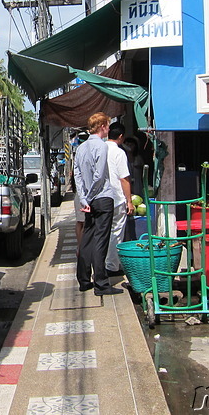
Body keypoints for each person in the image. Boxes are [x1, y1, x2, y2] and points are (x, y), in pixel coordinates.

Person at [73, 113, 122, 296]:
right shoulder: (101, 147)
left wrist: (84, 197)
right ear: (102, 126)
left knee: (87, 239)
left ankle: (84, 280)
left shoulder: (81, 147)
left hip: (88, 198)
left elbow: (77, 174)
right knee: (101, 240)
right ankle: (101, 283)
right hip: (101, 197)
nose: (108, 129)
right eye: (107, 125)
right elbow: (99, 175)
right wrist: (91, 196)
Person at [104, 123, 134, 277]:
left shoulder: (100, 149)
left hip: (101, 198)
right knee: (116, 232)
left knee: (103, 232)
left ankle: (102, 264)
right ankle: (112, 266)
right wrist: (129, 201)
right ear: (121, 136)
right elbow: (124, 179)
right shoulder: (119, 153)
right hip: (116, 198)